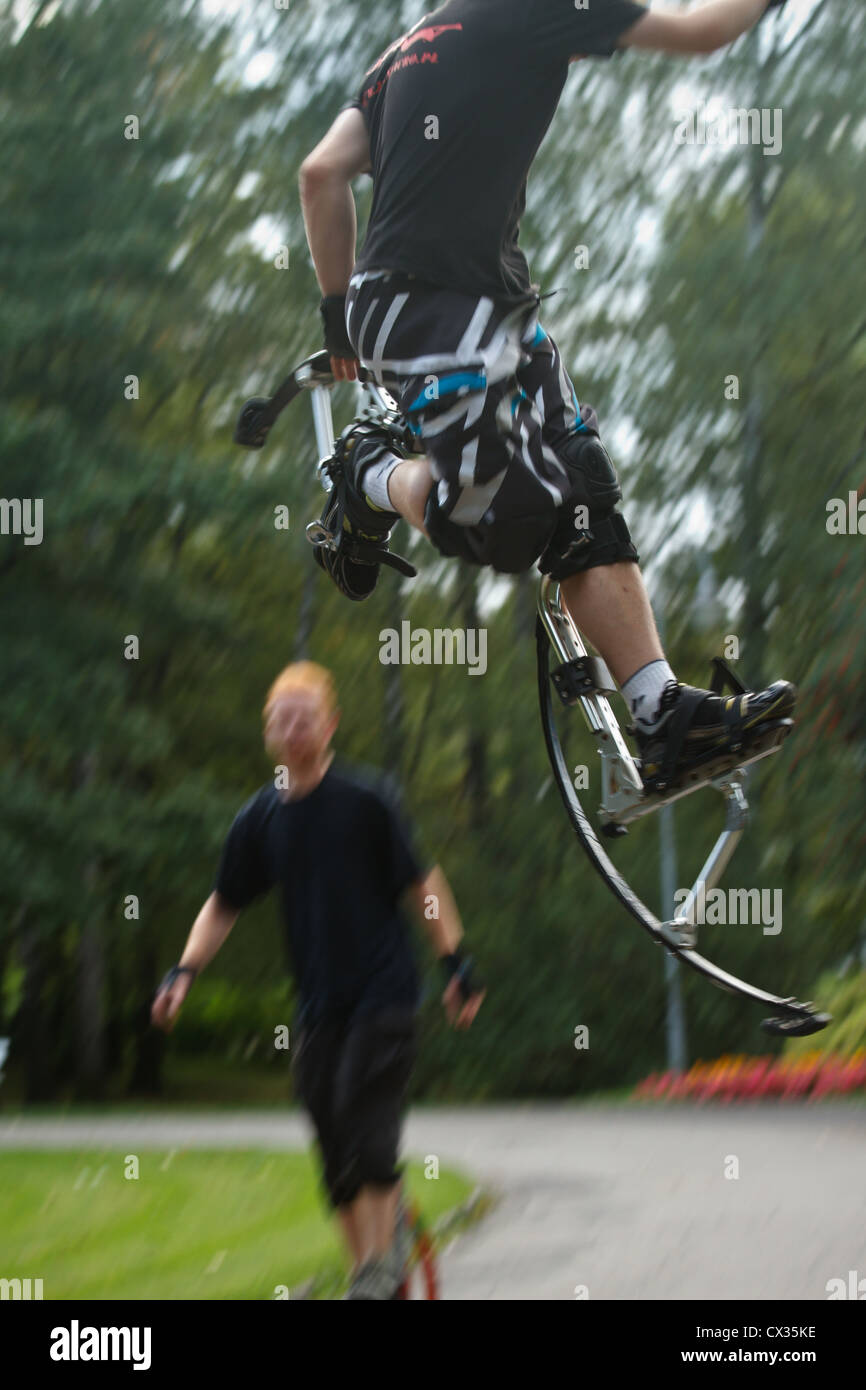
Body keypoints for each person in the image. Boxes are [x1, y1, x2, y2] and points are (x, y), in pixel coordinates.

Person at [298, 0, 794, 792]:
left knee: (581, 483)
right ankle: (369, 476)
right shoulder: (533, 7)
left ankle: (661, 714)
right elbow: (704, 32)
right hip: (429, 311)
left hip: (485, 311)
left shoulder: (405, 49)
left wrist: (341, 321)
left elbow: (320, 173)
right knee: (506, 518)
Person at [151, 661, 484, 1300]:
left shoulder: (367, 801)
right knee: (330, 1135)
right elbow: (223, 904)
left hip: (385, 996)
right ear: (268, 731)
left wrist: (455, 962)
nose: (293, 726)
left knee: (363, 1111)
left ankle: (382, 1264)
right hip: (318, 1009)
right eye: (282, 717)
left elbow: (425, 886)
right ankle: (368, 1270)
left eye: (306, 716)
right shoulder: (259, 820)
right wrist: (185, 971)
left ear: (330, 726)